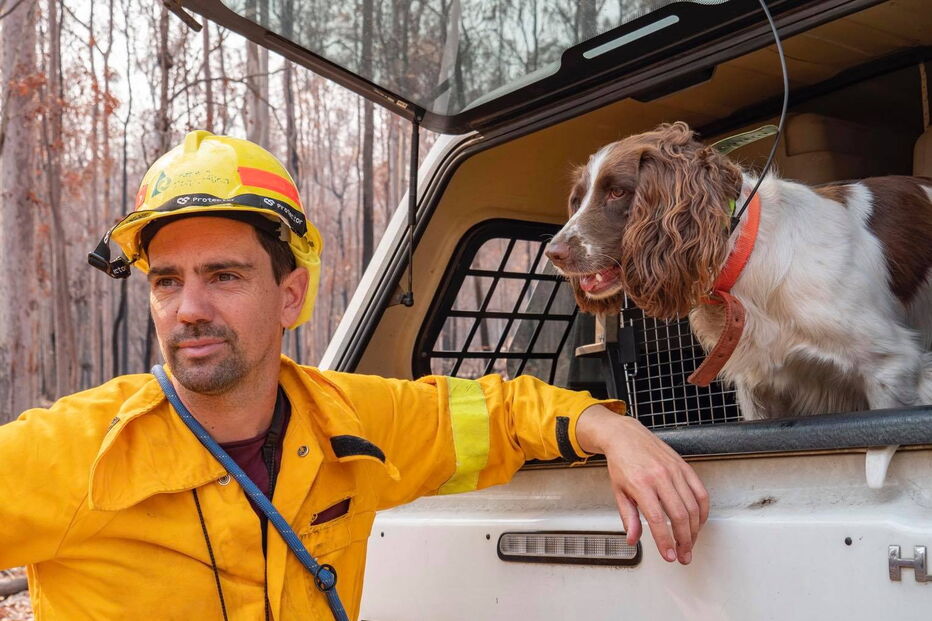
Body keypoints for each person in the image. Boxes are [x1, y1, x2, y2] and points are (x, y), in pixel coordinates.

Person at [0, 131, 708, 620]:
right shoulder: (75, 449)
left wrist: (610, 428)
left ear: (290, 296)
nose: (188, 309)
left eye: (223, 275)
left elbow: (496, 413)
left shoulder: (350, 422)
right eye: (166, 281)